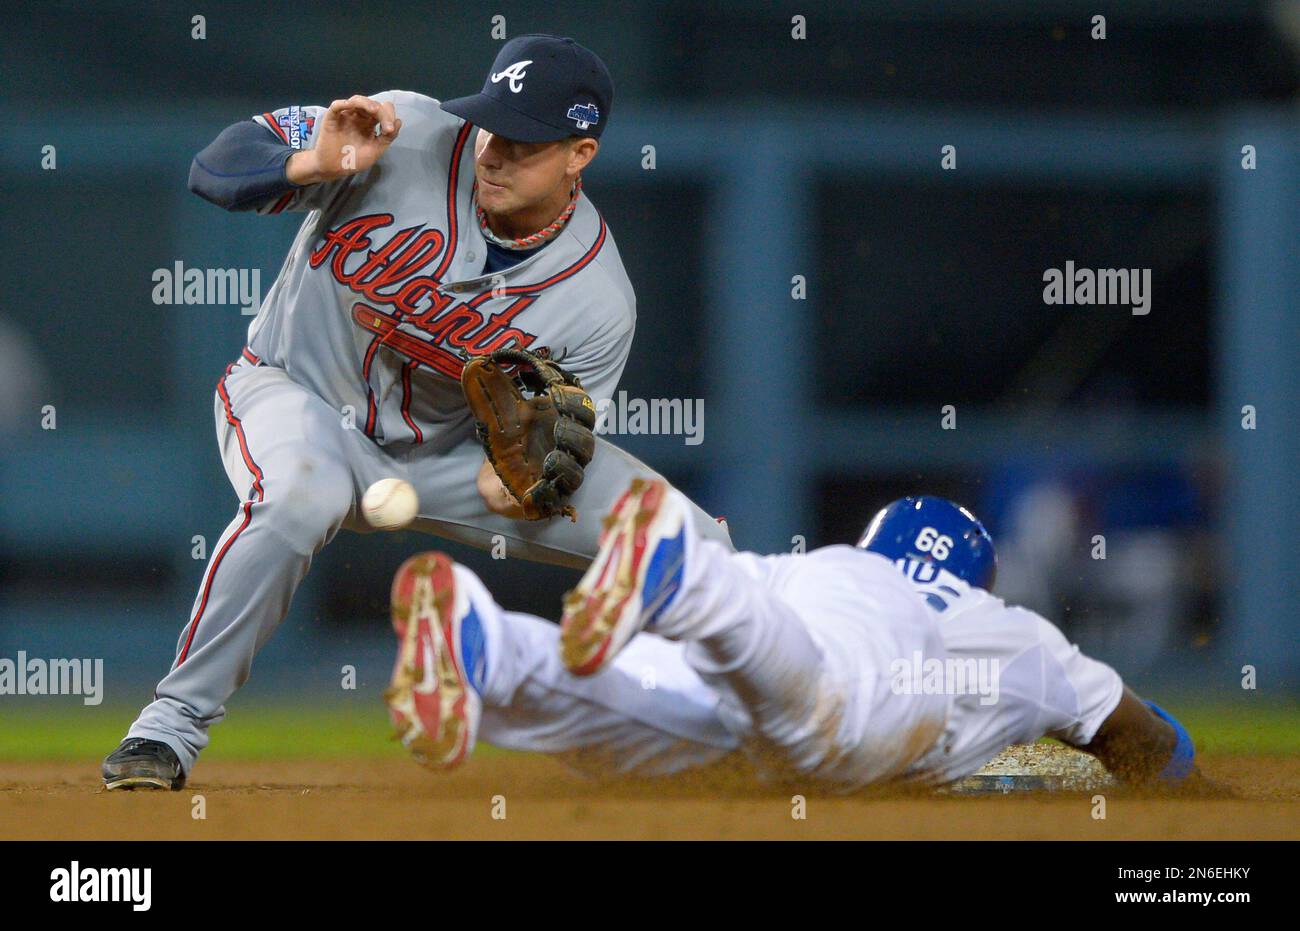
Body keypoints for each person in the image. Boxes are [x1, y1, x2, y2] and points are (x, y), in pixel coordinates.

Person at [101, 35, 731, 791]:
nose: (495, 152)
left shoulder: (597, 299)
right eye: (496, 125)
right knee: (302, 495)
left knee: (694, 541)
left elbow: (537, 469)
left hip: (447, 459)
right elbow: (216, 169)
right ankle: (166, 730)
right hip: (293, 395)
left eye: (526, 141)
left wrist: (522, 484)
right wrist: (312, 163)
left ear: (579, 154)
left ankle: (727, 731)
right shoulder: (398, 130)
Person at [383, 481, 1199, 791]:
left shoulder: (839, 563)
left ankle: (492, 646)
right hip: (861, 667)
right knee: (822, 723)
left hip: (783, 602)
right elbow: (1147, 740)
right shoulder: (1017, 634)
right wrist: (1193, 791)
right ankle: (687, 578)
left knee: (638, 726)